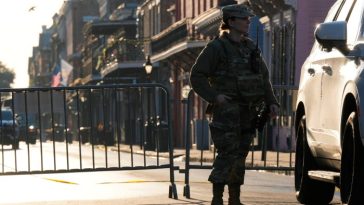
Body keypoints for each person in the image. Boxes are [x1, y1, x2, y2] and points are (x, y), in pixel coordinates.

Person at [189, 4, 279, 205]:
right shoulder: (216, 48)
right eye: (243, 18)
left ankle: (235, 199)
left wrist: (272, 102)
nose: (248, 21)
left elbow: (263, 79)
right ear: (230, 21)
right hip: (226, 112)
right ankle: (217, 199)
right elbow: (197, 77)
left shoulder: (250, 48)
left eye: (248, 18)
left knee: (240, 157)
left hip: (248, 112)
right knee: (226, 155)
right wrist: (215, 96)